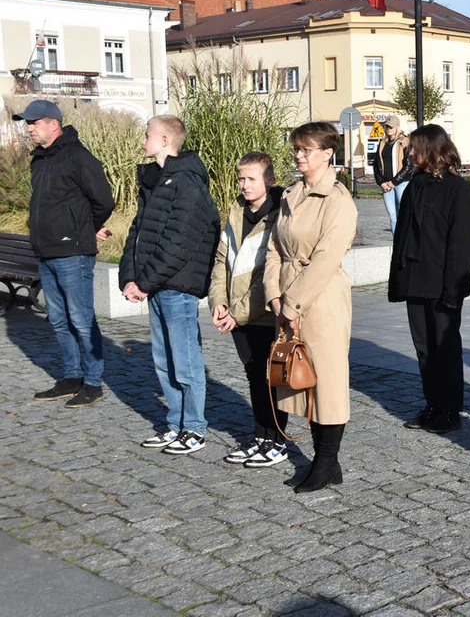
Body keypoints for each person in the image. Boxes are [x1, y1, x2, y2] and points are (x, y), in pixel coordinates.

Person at [265, 122, 358, 493]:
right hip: (288, 297)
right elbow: (274, 247)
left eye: (306, 149)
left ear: (326, 153)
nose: (299, 156)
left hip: (321, 301)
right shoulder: (293, 194)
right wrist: (274, 291)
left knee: (327, 383)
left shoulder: (338, 202)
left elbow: (324, 259)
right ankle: (322, 461)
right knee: (299, 378)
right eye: (297, 149)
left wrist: (292, 302)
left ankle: (327, 461)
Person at [120, 116, 219, 455]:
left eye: (148, 135)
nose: (143, 140)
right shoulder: (154, 180)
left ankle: (194, 428)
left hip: (177, 288)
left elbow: (177, 243)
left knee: (186, 362)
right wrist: (129, 278)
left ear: (164, 140)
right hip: (155, 287)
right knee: (163, 361)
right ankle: (175, 423)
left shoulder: (188, 184)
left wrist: (144, 282)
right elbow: (138, 233)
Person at [22, 100, 115, 408]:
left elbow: (103, 200)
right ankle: (72, 377)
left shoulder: (78, 156)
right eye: (28, 123)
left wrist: (85, 228)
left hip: (72, 252)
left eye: (34, 122)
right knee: (59, 320)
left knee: (81, 319)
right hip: (46, 251)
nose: (29, 128)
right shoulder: (39, 159)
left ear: (53, 124)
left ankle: (92, 382)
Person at [390, 124, 470, 434]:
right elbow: (402, 236)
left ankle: (450, 409)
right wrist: (398, 279)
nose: (410, 153)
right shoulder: (415, 185)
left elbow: (462, 245)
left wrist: (455, 289)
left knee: (446, 347)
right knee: (424, 348)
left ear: (431, 149)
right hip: (416, 280)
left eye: (415, 148)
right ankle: (432, 404)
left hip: (443, 282)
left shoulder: (458, 189)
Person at [208, 151, 290, 468]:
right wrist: (219, 303)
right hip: (236, 312)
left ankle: (277, 440)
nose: (244, 185)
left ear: (268, 181)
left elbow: (269, 275)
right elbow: (220, 263)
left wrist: (237, 312)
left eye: (251, 178)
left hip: (264, 312)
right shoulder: (235, 213)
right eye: (241, 178)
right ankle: (260, 436)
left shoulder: (278, 216)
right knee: (254, 376)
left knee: (272, 377)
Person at [373, 115, 411, 233]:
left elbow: (409, 166)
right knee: (393, 216)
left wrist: (394, 181)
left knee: (403, 214)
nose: (388, 129)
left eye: (391, 127)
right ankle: (396, 242)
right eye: (387, 126)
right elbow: (376, 164)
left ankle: (405, 241)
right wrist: (381, 182)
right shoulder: (383, 143)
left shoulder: (404, 142)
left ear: (397, 127)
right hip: (386, 185)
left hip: (401, 183)